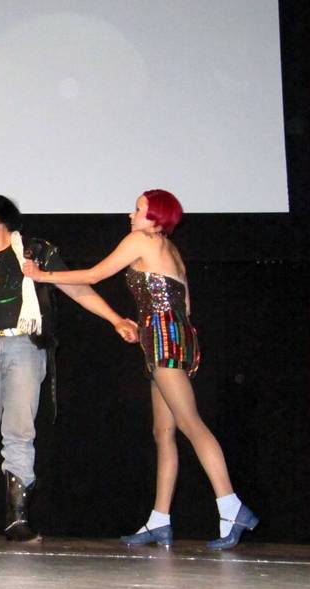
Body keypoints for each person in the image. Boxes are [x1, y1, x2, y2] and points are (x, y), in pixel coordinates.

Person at [23, 189, 257, 550]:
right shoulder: (170, 250)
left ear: (155, 216)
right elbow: (185, 306)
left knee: (189, 423)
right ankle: (159, 520)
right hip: (172, 336)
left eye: (138, 209)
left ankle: (231, 506)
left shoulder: (142, 240)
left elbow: (96, 274)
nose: (131, 215)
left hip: (163, 338)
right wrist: (147, 328)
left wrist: (42, 275)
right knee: (163, 431)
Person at [0, 195, 138, 542]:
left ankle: (16, 521)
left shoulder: (35, 252)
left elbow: (75, 287)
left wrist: (115, 319)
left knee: (19, 432)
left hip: (24, 346)